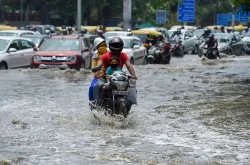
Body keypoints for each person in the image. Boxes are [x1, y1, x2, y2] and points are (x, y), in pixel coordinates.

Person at [92, 37, 137, 101]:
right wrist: (97, 69)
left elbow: (129, 66)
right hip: (106, 78)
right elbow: (99, 64)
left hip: (119, 79)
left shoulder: (123, 55)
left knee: (131, 86)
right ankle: (97, 103)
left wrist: (134, 76)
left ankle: (129, 103)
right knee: (96, 86)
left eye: (118, 45)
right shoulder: (104, 56)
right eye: (114, 45)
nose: (116, 48)